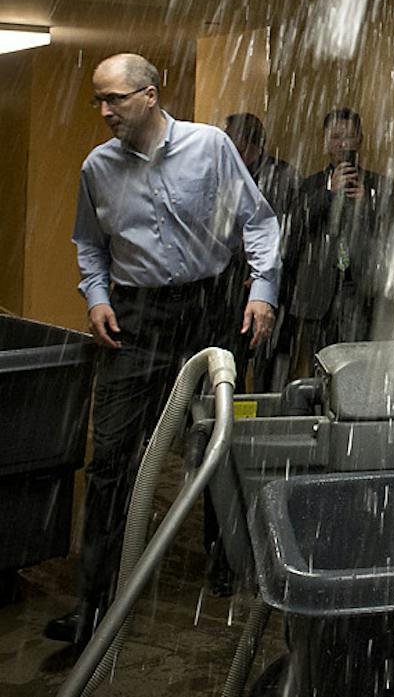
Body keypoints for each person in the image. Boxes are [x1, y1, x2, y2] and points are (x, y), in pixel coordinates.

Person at [48, 54, 279, 646]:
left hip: (209, 306)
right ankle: (94, 603)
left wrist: (262, 290)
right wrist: (97, 296)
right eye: (98, 100)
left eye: (114, 99)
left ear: (150, 96)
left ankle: (229, 567)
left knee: (217, 441)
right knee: (111, 458)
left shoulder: (210, 147)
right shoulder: (96, 168)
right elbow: (89, 244)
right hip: (135, 317)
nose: (104, 111)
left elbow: (258, 221)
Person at [283, 108, 394, 378]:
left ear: (360, 140)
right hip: (318, 294)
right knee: (320, 369)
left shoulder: (381, 186)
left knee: (361, 368)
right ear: (326, 142)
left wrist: (368, 205)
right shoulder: (308, 186)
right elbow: (294, 229)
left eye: (349, 137)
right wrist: (329, 194)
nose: (343, 144)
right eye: (336, 137)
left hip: (362, 290)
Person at [223, 113, 301, 391]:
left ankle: (269, 426)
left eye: (229, 137)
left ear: (244, 141)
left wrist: (264, 271)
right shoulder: (226, 173)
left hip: (275, 286)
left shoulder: (282, 176)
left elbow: (290, 231)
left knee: (272, 366)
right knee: (229, 364)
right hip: (228, 286)